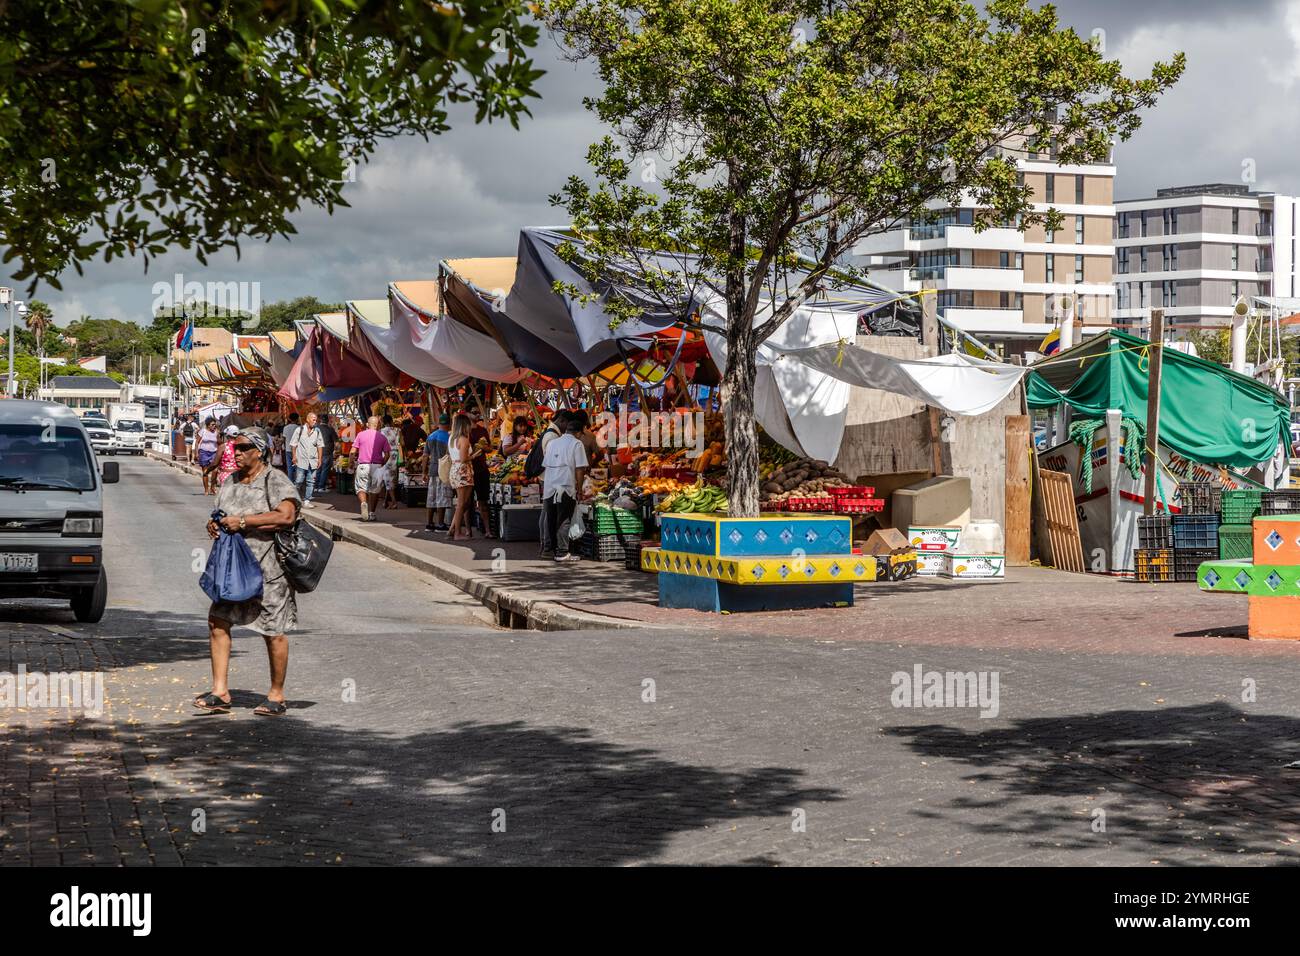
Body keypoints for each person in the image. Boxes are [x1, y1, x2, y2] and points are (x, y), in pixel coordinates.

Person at [193, 426, 301, 717]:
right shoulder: (230, 481)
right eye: (235, 448)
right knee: (217, 620)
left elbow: (286, 516)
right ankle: (220, 691)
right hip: (232, 569)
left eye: (242, 448)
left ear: (259, 451)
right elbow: (220, 513)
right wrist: (214, 524)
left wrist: (243, 521)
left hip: (268, 569)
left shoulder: (275, 480)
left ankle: (276, 695)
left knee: (273, 631)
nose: (236, 453)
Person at [541, 416, 589, 562]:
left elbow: (546, 465)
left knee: (550, 518)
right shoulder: (577, 444)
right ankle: (562, 552)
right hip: (565, 486)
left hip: (549, 486)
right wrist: (579, 489)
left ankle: (548, 550)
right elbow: (580, 469)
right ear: (579, 432)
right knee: (564, 519)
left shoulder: (552, 443)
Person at [535, 410, 570, 552]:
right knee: (548, 512)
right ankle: (547, 543)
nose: (567, 428)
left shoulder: (552, 434)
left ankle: (545, 542)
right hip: (550, 477)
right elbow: (553, 459)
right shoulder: (552, 436)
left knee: (546, 511)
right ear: (562, 420)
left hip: (548, 477)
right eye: (566, 424)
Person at [352, 415, 391, 521]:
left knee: (361, 487)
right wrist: (382, 463)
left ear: (367, 425)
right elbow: (387, 454)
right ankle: (372, 513)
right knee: (375, 490)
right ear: (377, 425)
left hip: (363, 465)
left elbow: (352, 452)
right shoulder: (382, 437)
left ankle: (364, 503)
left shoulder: (360, 435)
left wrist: (351, 463)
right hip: (377, 466)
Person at [446, 413, 476, 541]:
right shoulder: (464, 439)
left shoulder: (452, 438)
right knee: (461, 504)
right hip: (463, 470)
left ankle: (452, 529)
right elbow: (464, 458)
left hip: (455, 469)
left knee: (462, 503)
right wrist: (474, 455)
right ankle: (457, 533)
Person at [467, 409, 494, 538]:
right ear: (467, 414)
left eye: (478, 413)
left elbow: (490, 448)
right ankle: (468, 531)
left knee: (483, 501)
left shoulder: (482, 430)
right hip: (468, 470)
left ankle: (487, 531)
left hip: (482, 469)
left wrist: (484, 448)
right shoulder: (465, 431)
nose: (477, 415)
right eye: (474, 412)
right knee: (467, 503)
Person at [289, 411, 324, 508]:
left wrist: (320, 459)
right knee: (299, 480)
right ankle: (294, 499)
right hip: (301, 460)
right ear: (307, 420)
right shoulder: (299, 430)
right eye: (313, 419)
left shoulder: (317, 431)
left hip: (313, 461)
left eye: (316, 420)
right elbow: (294, 444)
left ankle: (307, 500)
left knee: (311, 481)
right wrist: (294, 456)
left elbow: (320, 446)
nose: (315, 421)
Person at [424, 413, 453, 532]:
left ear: (439, 423)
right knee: (442, 497)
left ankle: (429, 523)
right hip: (444, 471)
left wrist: (423, 471)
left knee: (431, 497)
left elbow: (425, 455)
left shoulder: (430, 436)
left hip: (432, 469)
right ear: (449, 424)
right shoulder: (448, 437)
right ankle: (440, 524)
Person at [378, 414, 402, 510]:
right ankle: (385, 502)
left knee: (388, 479)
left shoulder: (381, 432)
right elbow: (402, 443)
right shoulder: (398, 430)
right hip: (395, 455)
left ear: (383, 422)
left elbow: (379, 445)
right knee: (390, 478)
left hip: (386, 455)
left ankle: (394, 502)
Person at [196, 417, 220, 495]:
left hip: (214, 452)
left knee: (215, 470)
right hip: (204, 452)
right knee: (205, 472)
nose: (214, 426)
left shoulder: (216, 432)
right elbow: (197, 442)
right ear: (208, 425)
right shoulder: (203, 431)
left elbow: (219, 442)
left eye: (215, 425)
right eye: (212, 425)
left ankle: (212, 487)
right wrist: (196, 453)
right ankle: (206, 489)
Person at [316, 413, 337, 495]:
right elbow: (336, 440)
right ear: (328, 420)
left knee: (318, 469)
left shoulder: (316, 428)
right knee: (324, 470)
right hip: (327, 452)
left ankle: (316, 487)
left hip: (317, 452)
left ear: (320, 420)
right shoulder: (330, 429)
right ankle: (321, 487)